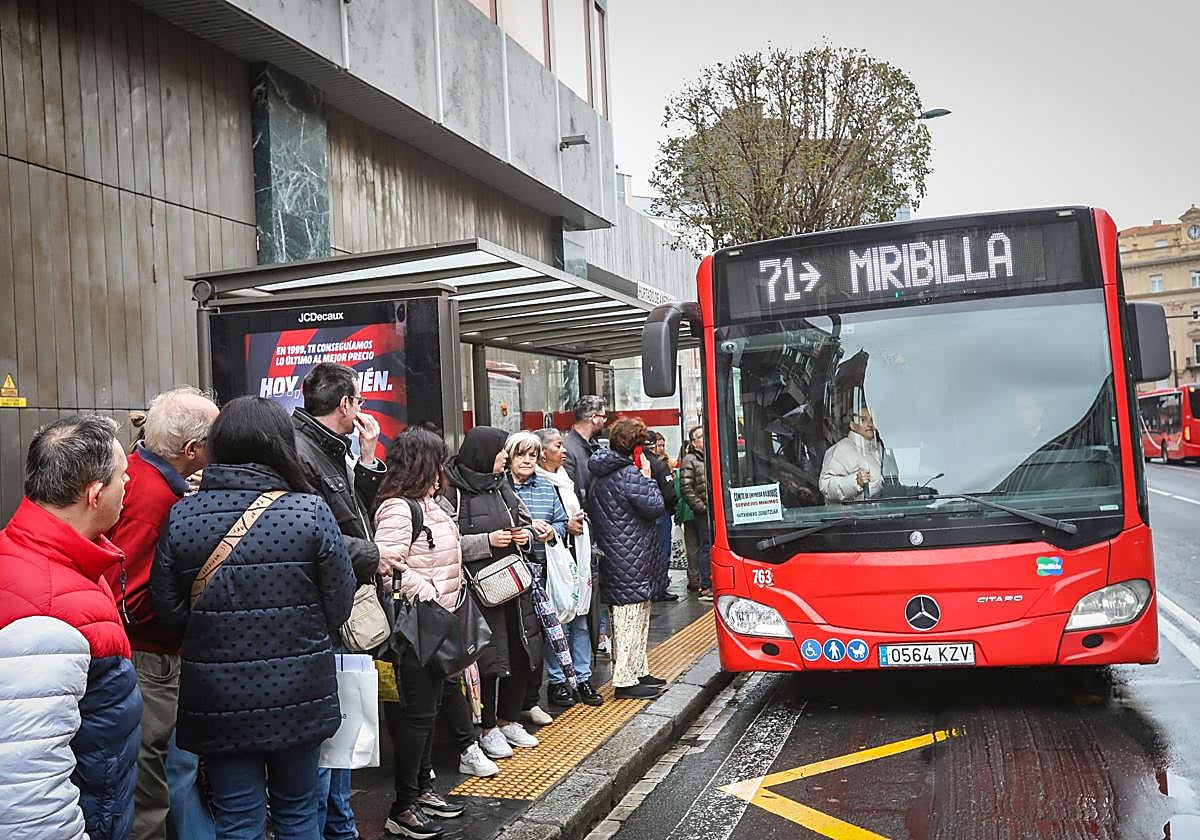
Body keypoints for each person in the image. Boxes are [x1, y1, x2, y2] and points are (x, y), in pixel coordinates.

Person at [151, 396, 356, 839]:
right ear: (280, 445)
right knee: (299, 813)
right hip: (300, 691)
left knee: (238, 819)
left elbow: (168, 607)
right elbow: (339, 605)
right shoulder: (310, 511)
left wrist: (214, 636)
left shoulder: (183, 514)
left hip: (219, 696)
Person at [0, 415, 140, 840]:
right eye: (123, 476)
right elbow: (28, 789)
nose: (129, 484)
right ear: (95, 494)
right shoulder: (46, 614)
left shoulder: (55, 560)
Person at [104, 387, 219, 840]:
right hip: (147, 655)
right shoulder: (155, 501)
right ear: (192, 451)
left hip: (142, 651)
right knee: (149, 780)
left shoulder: (138, 478)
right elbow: (130, 592)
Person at [291, 362, 398, 840]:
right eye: (359, 401)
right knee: (326, 737)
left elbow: (352, 512)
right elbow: (321, 534)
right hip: (324, 610)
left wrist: (369, 454)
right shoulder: (302, 451)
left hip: (339, 601)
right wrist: (375, 554)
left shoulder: (329, 447)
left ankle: (340, 824)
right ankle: (332, 827)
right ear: (346, 406)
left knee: (341, 730)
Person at [374, 428, 471, 838]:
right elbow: (387, 565)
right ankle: (403, 805)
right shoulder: (399, 509)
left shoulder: (430, 503)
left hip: (440, 622)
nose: (443, 469)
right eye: (437, 460)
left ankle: (424, 790)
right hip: (417, 626)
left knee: (428, 713)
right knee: (416, 716)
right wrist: (428, 592)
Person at [442, 427, 543, 761]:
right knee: (487, 660)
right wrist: (488, 541)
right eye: (501, 451)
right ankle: (486, 728)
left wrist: (525, 536)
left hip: (514, 584)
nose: (505, 457)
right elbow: (447, 543)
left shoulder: (501, 487)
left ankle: (508, 720)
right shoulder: (452, 490)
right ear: (484, 454)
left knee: (520, 651)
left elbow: (525, 521)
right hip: (479, 592)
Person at [505, 432, 589, 714]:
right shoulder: (500, 488)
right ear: (509, 457)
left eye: (532, 455)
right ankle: (529, 699)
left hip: (548, 569)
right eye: (521, 455)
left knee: (556, 626)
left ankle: (561, 685)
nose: (527, 460)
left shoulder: (545, 486)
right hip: (512, 573)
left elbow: (563, 522)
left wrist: (553, 530)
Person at [586, 417, 667, 700]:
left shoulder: (602, 472)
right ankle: (625, 680)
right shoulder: (628, 474)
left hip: (618, 552)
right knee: (630, 617)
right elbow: (655, 506)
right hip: (629, 555)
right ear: (634, 447)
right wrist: (647, 477)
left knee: (629, 615)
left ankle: (638, 670)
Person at [534, 427, 602, 707]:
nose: (563, 451)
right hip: (552, 561)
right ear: (542, 453)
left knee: (582, 620)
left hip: (577, 557)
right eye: (557, 446)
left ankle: (583, 677)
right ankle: (559, 681)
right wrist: (565, 527)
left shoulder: (564, 479)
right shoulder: (538, 483)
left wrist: (578, 524)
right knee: (558, 622)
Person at [819, 406, 885, 502]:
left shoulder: (881, 449)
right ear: (852, 425)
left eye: (872, 420)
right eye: (863, 420)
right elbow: (825, 486)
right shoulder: (841, 449)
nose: (870, 424)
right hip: (854, 514)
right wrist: (855, 482)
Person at [679, 425, 713, 600]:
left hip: (714, 511)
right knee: (704, 547)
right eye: (700, 436)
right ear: (693, 442)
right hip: (703, 511)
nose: (704, 439)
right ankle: (705, 584)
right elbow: (686, 488)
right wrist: (701, 507)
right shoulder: (690, 460)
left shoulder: (710, 455)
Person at [647, 432, 679, 602]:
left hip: (642, 517)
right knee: (662, 551)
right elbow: (670, 493)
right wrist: (672, 508)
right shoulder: (659, 466)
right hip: (660, 513)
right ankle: (659, 588)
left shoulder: (631, 463)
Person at [563, 395, 608, 501]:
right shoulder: (567, 448)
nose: (604, 421)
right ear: (594, 418)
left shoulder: (595, 447)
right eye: (603, 417)